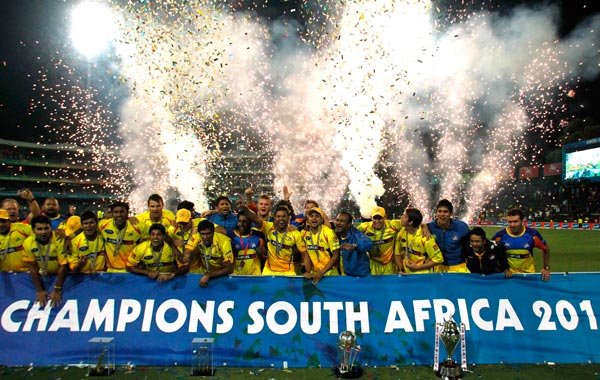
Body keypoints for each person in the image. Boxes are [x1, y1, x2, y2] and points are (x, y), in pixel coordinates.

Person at [238, 202, 307, 276]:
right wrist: (245, 208)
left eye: (284, 216)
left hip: (288, 271)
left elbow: (304, 254)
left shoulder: (295, 233)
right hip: (269, 270)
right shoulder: (268, 227)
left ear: (288, 218)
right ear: (274, 217)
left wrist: (308, 271)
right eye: (278, 216)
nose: (281, 219)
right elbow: (255, 219)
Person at [22, 215, 68, 308]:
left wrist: (57, 289)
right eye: (39, 229)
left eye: (46, 228)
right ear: (33, 230)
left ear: (51, 227)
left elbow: (63, 266)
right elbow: (32, 267)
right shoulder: (28, 242)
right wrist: (39, 290)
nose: (43, 232)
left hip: (61, 277)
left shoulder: (59, 239)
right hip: (44, 276)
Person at [491, 209, 550, 281]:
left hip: (528, 276)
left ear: (522, 221)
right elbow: (489, 250)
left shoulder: (533, 235)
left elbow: (545, 248)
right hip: (508, 276)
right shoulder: (500, 235)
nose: (512, 225)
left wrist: (546, 268)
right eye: (510, 222)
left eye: (515, 221)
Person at [183, 220, 234, 287]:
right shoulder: (196, 237)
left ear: (213, 233)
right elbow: (187, 253)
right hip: (204, 272)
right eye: (202, 234)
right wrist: (186, 258)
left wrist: (209, 275)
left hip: (221, 273)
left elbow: (230, 269)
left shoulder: (224, 242)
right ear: (199, 233)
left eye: (208, 234)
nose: (205, 237)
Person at [395, 207, 444, 274]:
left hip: (423, 275)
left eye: (404, 216)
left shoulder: (425, 238)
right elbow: (397, 253)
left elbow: (439, 259)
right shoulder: (402, 232)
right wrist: (401, 270)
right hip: (406, 274)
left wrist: (417, 267)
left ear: (410, 222)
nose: (401, 217)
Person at [427, 199, 471, 273]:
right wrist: (424, 226)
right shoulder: (430, 227)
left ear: (451, 213)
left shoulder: (461, 226)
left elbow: (472, 244)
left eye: (445, 211)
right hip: (437, 266)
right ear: (436, 212)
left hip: (458, 266)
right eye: (439, 211)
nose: (442, 214)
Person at [98, 201, 143, 272]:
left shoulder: (138, 226)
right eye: (116, 212)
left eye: (122, 212)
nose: (119, 215)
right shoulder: (103, 225)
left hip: (130, 271)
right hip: (110, 270)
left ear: (127, 213)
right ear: (112, 214)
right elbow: (87, 228)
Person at [357, 206, 402, 274]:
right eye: (375, 218)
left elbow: (412, 222)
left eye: (380, 218)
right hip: (372, 263)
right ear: (371, 217)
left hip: (389, 264)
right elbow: (352, 233)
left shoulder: (393, 225)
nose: (377, 221)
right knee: (373, 284)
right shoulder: (364, 227)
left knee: (389, 284)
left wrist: (423, 226)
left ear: (385, 217)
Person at [301, 207, 340, 284]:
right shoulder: (304, 234)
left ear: (322, 219)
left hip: (330, 275)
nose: (314, 218)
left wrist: (322, 273)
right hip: (314, 274)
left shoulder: (329, 233)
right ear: (308, 219)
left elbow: (336, 256)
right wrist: (308, 271)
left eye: (317, 216)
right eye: (311, 216)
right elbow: (306, 255)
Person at [334, 212, 373, 277]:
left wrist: (355, 247)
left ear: (349, 224)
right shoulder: (336, 234)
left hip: (359, 276)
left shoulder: (356, 235)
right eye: (337, 220)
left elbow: (368, 244)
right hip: (343, 275)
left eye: (342, 221)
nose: (338, 223)